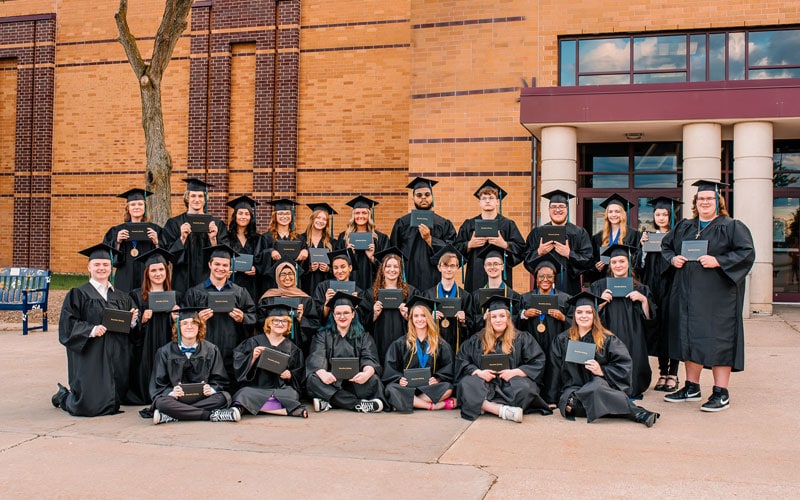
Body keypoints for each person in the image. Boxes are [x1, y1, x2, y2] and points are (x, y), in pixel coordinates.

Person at [662, 180, 755, 412]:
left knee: (718, 340)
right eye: (700, 199)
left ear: (718, 201)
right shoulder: (685, 226)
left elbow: (746, 253)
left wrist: (719, 261)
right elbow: (666, 246)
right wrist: (673, 259)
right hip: (686, 295)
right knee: (689, 337)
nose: (704, 202)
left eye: (709, 199)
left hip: (718, 298)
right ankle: (691, 386)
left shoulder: (732, 226)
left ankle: (721, 392)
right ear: (695, 202)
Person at [546, 292, 660, 427]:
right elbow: (554, 369)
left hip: (600, 387)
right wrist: (552, 399)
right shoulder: (562, 340)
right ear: (574, 315)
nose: (583, 316)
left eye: (588, 312)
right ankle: (623, 409)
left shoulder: (608, 339)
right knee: (569, 403)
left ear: (595, 315)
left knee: (596, 388)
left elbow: (624, 365)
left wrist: (601, 371)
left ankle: (634, 412)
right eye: (579, 312)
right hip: (573, 390)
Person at [53, 244, 140, 417]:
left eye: (106, 265)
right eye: (97, 264)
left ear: (111, 267)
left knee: (111, 399)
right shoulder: (78, 293)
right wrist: (91, 329)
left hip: (116, 354)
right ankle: (64, 396)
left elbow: (133, 330)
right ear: (89, 267)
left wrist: (133, 321)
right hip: (90, 354)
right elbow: (67, 325)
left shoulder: (122, 297)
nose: (102, 268)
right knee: (86, 407)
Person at [455, 296, 551, 423]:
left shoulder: (521, 338)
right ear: (488, 320)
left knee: (527, 389)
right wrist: (478, 372)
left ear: (508, 318)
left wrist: (514, 372)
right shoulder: (477, 339)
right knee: (466, 384)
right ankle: (502, 410)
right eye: (494, 317)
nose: (498, 320)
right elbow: (462, 359)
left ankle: (482, 405)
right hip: (483, 382)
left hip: (511, 382)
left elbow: (537, 361)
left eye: (502, 316)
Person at [181, 244, 257, 389]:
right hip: (204, 347)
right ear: (210, 264)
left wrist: (243, 318)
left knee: (231, 387)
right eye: (217, 264)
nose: (220, 268)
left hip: (232, 346)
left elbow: (253, 316)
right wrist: (197, 320)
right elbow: (183, 320)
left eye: (225, 265)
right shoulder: (195, 292)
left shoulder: (240, 292)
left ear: (230, 267)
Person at [149, 307, 240, 424]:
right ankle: (211, 415)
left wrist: (211, 389)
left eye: (194, 323)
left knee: (223, 397)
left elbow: (220, 380)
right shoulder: (165, 352)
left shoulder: (211, 350)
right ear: (178, 327)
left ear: (199, 327)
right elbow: (158, 384)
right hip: (176, 399)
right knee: (161, 402)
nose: (189, 326)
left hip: (203, 398)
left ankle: (173, 415)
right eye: (184, 323)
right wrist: (171, 392)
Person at [589, 244, 656, 399]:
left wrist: (643, 300)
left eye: (622, 261)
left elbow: (650, 318)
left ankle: (632, 387)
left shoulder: (640, 288)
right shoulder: (599, 286)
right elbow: (586, 315)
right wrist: (600, 302)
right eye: (614, 262)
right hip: (607, 333)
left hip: (634, 335)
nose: (618, 265)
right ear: (610, 265)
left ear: (629, 263)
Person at [305, 292, 385, 413]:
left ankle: (330, 402)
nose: (342, 316)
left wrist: (366, 373)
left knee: (373, 379)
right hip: (331, 382)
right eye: (338, 313)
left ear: (353, 314)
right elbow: (317, 355)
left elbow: (369, 358)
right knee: (313, 379)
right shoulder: (322, 335)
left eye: (346, 313)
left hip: (355, 382)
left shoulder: (364, 336)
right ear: (333, 315)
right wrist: (322, 373)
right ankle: (358, 405)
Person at [637, 196, 682, 392]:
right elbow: (640, 266)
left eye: (665, 214)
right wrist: (643, 247)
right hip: (653, 289)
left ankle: (673, 374)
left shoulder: (677, 237)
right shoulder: (648, 236)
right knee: (658, 331)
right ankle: (662, 373)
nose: (661, 217)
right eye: (658, 214)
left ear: (671, 216)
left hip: (671, 289)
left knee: (672, 331)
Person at [231, 303, 308, 419]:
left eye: (284, 321)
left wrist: (290, 375)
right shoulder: (254, 342)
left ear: (288, 325)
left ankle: (247, 407)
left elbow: (299, 372)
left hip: (279, 390)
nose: (280, 324)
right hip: (257, 388)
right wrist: (252, 357)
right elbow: (238, 365)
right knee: (244, 393)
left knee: (292, 395)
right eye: (275, 321)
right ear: (269, 323)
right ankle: (286, 411)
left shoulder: (293, 348)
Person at [382, 296, 457, 412]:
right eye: (416, 316)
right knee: (391, 389)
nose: (420, 319)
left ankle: (409, 402)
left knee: (448, 388)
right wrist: (399, 379)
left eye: (423, 315)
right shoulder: (400, 343)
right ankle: (432, 406)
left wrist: (437, 379)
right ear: (411, 319)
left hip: (428, 387)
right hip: (407, 386)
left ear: (429, 318)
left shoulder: (440, 344)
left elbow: (448, 367)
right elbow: (390, 368)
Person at [128, 248, 181, 405]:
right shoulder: (136, 295)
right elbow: (131, 328)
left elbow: (184, 327)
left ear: (166, 271)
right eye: (153, 270)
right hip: (145, 344)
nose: (158, 274)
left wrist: (175, 318)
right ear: (147, 273)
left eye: (161, 269)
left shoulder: (176, 296)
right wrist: (141, 320)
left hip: (167, 339)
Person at [455, 179, 525, 293]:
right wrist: (469, 245)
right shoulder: (469, 224)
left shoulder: (507, 224)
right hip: (475, 275)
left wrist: (505, 244)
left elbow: (522, 248)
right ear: (479, 202)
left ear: (498, 201)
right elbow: (455, 250)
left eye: (491, 198)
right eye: (484, 198)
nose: (487, 201)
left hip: (500, 275)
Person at [389, 177, 457, 292]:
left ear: (432, 196)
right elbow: (393, 251)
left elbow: (451, 252)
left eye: (427, 194)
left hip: (434, 279)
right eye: (419, 195)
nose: (423, 198)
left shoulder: (443, 223)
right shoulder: (403, 223)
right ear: (413, 198)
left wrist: (430, 240)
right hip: (408, 278)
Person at [161, 178, 229, 292]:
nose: (196, 200)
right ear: (187, 198)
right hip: (181, 280)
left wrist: (213, 240)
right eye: (193, 196)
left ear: (205, 199)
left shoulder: (216, 224)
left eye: (200, 196)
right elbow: (167, 256)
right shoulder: (174, 223)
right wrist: (182, 238)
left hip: (208, 280)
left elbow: (224, 255)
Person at [523, 189, 593, 295]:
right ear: (549, 209)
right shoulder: (538, 232)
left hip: (570, 286)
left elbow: (588, 260)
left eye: (561, 206)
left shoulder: (579, 233)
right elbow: (526, 259)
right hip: (543, 288)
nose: (557, 210)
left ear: (567, 209)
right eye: (554, 207)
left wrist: (569, 254)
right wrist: (538, 253)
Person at [519, 253, 571, 394]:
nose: (545, 280)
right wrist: (524, 314)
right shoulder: (525, 298)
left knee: (554, 366)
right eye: (541, 276)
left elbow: (577, 324)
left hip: (556, 343)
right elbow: (513, 323)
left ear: (554, 278)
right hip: (532, 342)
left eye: (549, 276)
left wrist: (563, 318)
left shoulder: (564, 299)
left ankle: (553, 396)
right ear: (536, 278)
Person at [102, 188, 161, 293]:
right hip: (125, 276)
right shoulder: (117, 231)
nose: (136, 207)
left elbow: (164, 257)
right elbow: (106, 256)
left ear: (145, 208)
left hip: (147, 276)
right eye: (133, 205)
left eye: (140, 204)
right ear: (127, 208)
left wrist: (157, 242)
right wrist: (117, 242)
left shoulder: (155, 229)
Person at [258, 259, 319, 355]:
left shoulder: (305, 299)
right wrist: (271, 320)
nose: (287, 277)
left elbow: (315, 324)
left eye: (290, 273)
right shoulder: (268, 297)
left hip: (298, 345)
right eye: (283, 274)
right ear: (277, 276)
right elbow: (259, 321)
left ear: (295, 276)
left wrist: (301, 319)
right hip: (272, 344)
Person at [370, 247, 418, 365]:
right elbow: (362, 320)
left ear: (400, 269)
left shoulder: (411, 292)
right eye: (388, 266)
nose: (392, 270)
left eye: (396, 266)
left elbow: (420, 318)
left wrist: (408, 316)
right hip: (380, 338)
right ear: (382, 269)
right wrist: (374, 314)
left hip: (403, 337)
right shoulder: (371, 293)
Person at [423, 245, 474, 352]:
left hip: (458, 347)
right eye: (445, 265)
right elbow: (419, 322)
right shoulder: (428, 295)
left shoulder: (465, 296)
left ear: (457, 267)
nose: (449, 269)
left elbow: (472, 326)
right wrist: (430, 318)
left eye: (452, 265)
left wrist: (464, 320)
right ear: (439, 267)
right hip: (434, 348)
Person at [338, 195, 389, 293]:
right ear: (353, 216)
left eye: (364, 213)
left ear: (369, 215)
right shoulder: (344, 238)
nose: (360, 216)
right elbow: (336, 265)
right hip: (350, 283)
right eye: (357, 213)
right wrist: (349, 255)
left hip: (373, 283)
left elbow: (387, 265)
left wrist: (372, 258)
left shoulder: (380, 238)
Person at [588, 193, 641, 284]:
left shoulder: (634, 235)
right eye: (610, 212)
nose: (613, 215)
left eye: (617, 211)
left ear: (623, 214)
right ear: (606, 214)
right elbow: (591, 260)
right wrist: (596, 266)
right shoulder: (598, 237)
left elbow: (638, 260)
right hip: (604, 280)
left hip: (626, 280)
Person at [224, 195, 269, 303]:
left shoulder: (258, 239)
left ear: (251, 217)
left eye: (247, 214)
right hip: (231, 281)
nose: (243, 217)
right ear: (235, 216)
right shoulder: (226, 238)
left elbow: (263, 261)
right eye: (240, 213)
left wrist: (256, 269)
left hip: (252, 284)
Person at [469, 245, 523, 334]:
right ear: (484, 268)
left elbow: (519, 323)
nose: (492, 267)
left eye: (496, 264)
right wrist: (483, 318)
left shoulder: (514, 296)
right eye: (489, 264)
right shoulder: (475, 296)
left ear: (502, 267)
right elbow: (469, 322)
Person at [312, 248, 373, 327]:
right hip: (329, 332)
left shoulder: (357, 291)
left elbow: (363, 320)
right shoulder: (323, 287)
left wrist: (356, 306)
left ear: (350, 268)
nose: (340, 271)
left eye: (343, 267)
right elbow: (316, 318)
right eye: (336, 268)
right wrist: (327, 303)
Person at [263, 198, 308, 291]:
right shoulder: (266, 237)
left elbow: (305, 266)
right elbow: (258, 257)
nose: (284, 216)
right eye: (280, 214)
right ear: (275, 216)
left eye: (287, 213)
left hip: (293, 281)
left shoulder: (299, 238)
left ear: (292, 216)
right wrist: (270, 252)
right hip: (273, 283)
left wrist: (306, 252)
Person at [299, 202, 337, 296]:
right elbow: (295, 264)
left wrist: (328, 269)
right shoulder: (300, 239)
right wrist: (308, 268)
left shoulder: (332, 242)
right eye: (318, 217)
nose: (320, 221)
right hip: (305, 284)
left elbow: (337, 264)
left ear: (327, 223)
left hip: (325, 285)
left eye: (324, 219)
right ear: (312, 218)